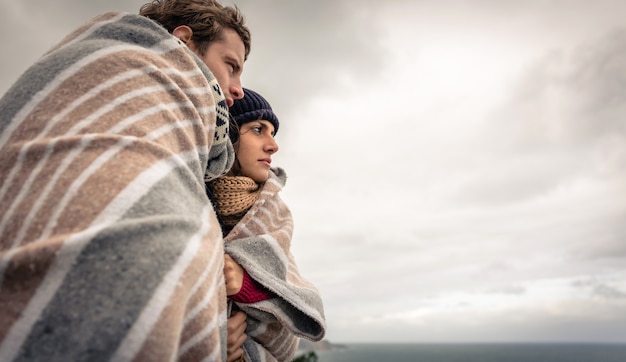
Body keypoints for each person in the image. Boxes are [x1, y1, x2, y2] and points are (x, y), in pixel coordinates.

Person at [0, 1, 251, 361]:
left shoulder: (185, 142)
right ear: (185, 42)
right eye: (231, 67)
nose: (238, 88)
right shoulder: (120, 73)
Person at [207, 89, 326, 362]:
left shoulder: (273, 214)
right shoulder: (191, 198)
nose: (273, 145)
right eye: (258, 129)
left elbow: (292, 322)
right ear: (226, 135)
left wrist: (249, 287)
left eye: (273, 133)